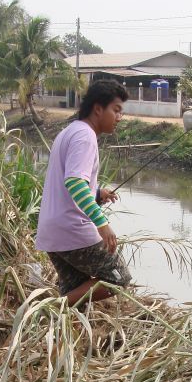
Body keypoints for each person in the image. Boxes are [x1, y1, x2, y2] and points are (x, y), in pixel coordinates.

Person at [36, 80, 132, 306]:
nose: (120, 117)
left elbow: (68, 183)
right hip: (72, 231)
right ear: (98, 109)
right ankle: (49, 309)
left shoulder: (70, 131)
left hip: (52, 232)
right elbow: (74, 183)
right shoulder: (85, 136)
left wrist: (97, 193)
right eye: (116, 110)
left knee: (75, 296)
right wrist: (102, 223)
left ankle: (61, 329)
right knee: (117, 278)